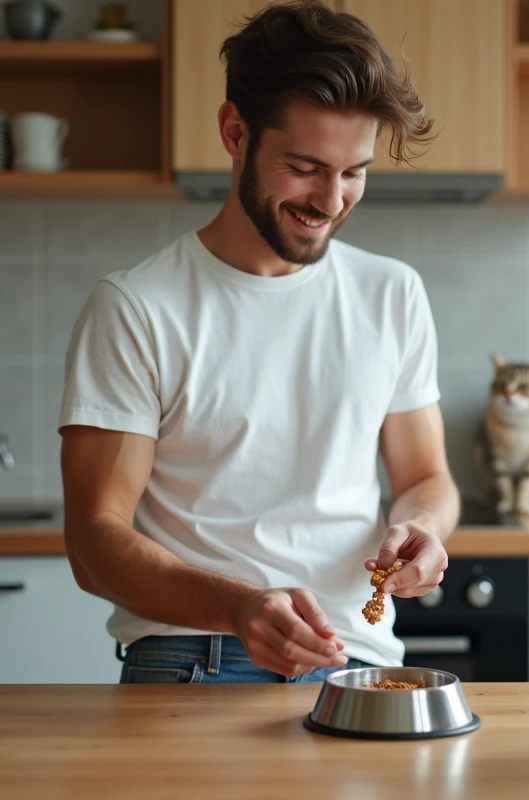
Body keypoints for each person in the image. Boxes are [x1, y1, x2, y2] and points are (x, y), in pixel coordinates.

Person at [57, 0, 460, 684]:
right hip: (195, 654)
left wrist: (423, 526)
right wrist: (240, 608)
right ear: (235, 132)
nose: (331, 200)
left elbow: (426, 478)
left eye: (355, 171)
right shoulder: (138, 307)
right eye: (305, 167)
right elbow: (96, 544)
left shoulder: (391, 294)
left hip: (359, 661)